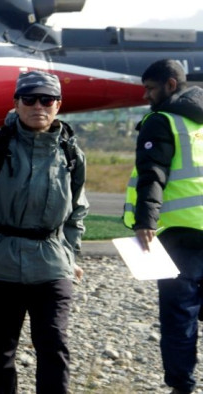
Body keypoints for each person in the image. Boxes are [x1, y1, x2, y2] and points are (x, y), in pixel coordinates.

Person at [0, 70, 88, 393]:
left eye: (47, 99)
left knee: (54, 346)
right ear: (16, 103)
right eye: (29, 99)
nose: (37, 106)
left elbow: (78, 209)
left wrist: (70, 253)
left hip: (52, 263)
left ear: (58, 105)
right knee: (0, 354)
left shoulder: (70, 152)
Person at [123, 59, 203, 394]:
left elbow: (152, 174)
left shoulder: (161, 121)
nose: (146, 95)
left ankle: (182, 386)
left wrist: (145, 222)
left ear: (171, 85)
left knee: (179, 313)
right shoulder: (198, 121)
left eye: (151, 88)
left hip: (177, 235)